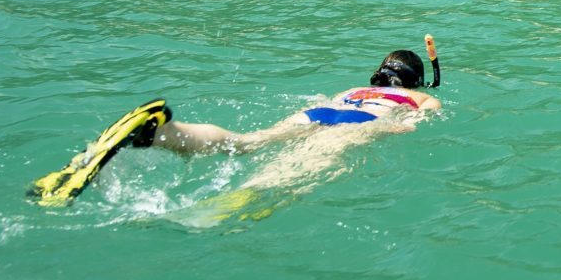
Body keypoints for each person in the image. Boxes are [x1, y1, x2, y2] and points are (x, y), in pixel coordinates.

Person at [150, 48, 442, 191]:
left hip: (316, 114)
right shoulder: (418, 97)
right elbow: (413, 124)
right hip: (358, 120)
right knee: (303, 168)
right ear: (415, 80)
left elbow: (329, 105)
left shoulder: (352, 89)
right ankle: (248, 194)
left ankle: (166, 133)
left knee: (248, 141)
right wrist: (391, 128)